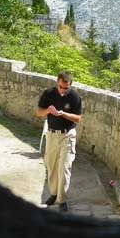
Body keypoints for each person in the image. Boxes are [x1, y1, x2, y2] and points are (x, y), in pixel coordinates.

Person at [36, 71, 82, 212]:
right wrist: (48, 111)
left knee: (65, 167)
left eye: (66, 88)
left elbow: (78, 118)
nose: (63, 90)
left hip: (67, 135)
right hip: (51, 134)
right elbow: (39, 112)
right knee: (51, 165)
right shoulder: (49, 93)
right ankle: (54, 194)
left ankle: (62, 200)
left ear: (70, 85)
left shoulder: (74, 96)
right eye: (61, 87)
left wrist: (64, 114)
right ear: (57, 83)